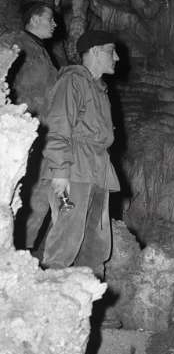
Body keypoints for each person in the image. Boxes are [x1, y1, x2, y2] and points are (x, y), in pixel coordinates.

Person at [40, 30, 120, 279]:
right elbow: (58, 125)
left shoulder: (99, 89)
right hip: (74, 167)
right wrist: (60, 171)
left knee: (97, 240)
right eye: (111, 51)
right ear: (95, 51)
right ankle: (54, 289)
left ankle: (89, 289)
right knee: (67, 236)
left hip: (98, 169)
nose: (117, 57)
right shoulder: (73, 81)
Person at [9, 2, 57, 251]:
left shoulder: (43, 53)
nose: (55, 24)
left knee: (40, 194)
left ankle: (23, 252)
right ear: (35, 19)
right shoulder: (15, 42)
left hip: (45, 134)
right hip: (23, 133)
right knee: (20, 193)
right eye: (50, 19)